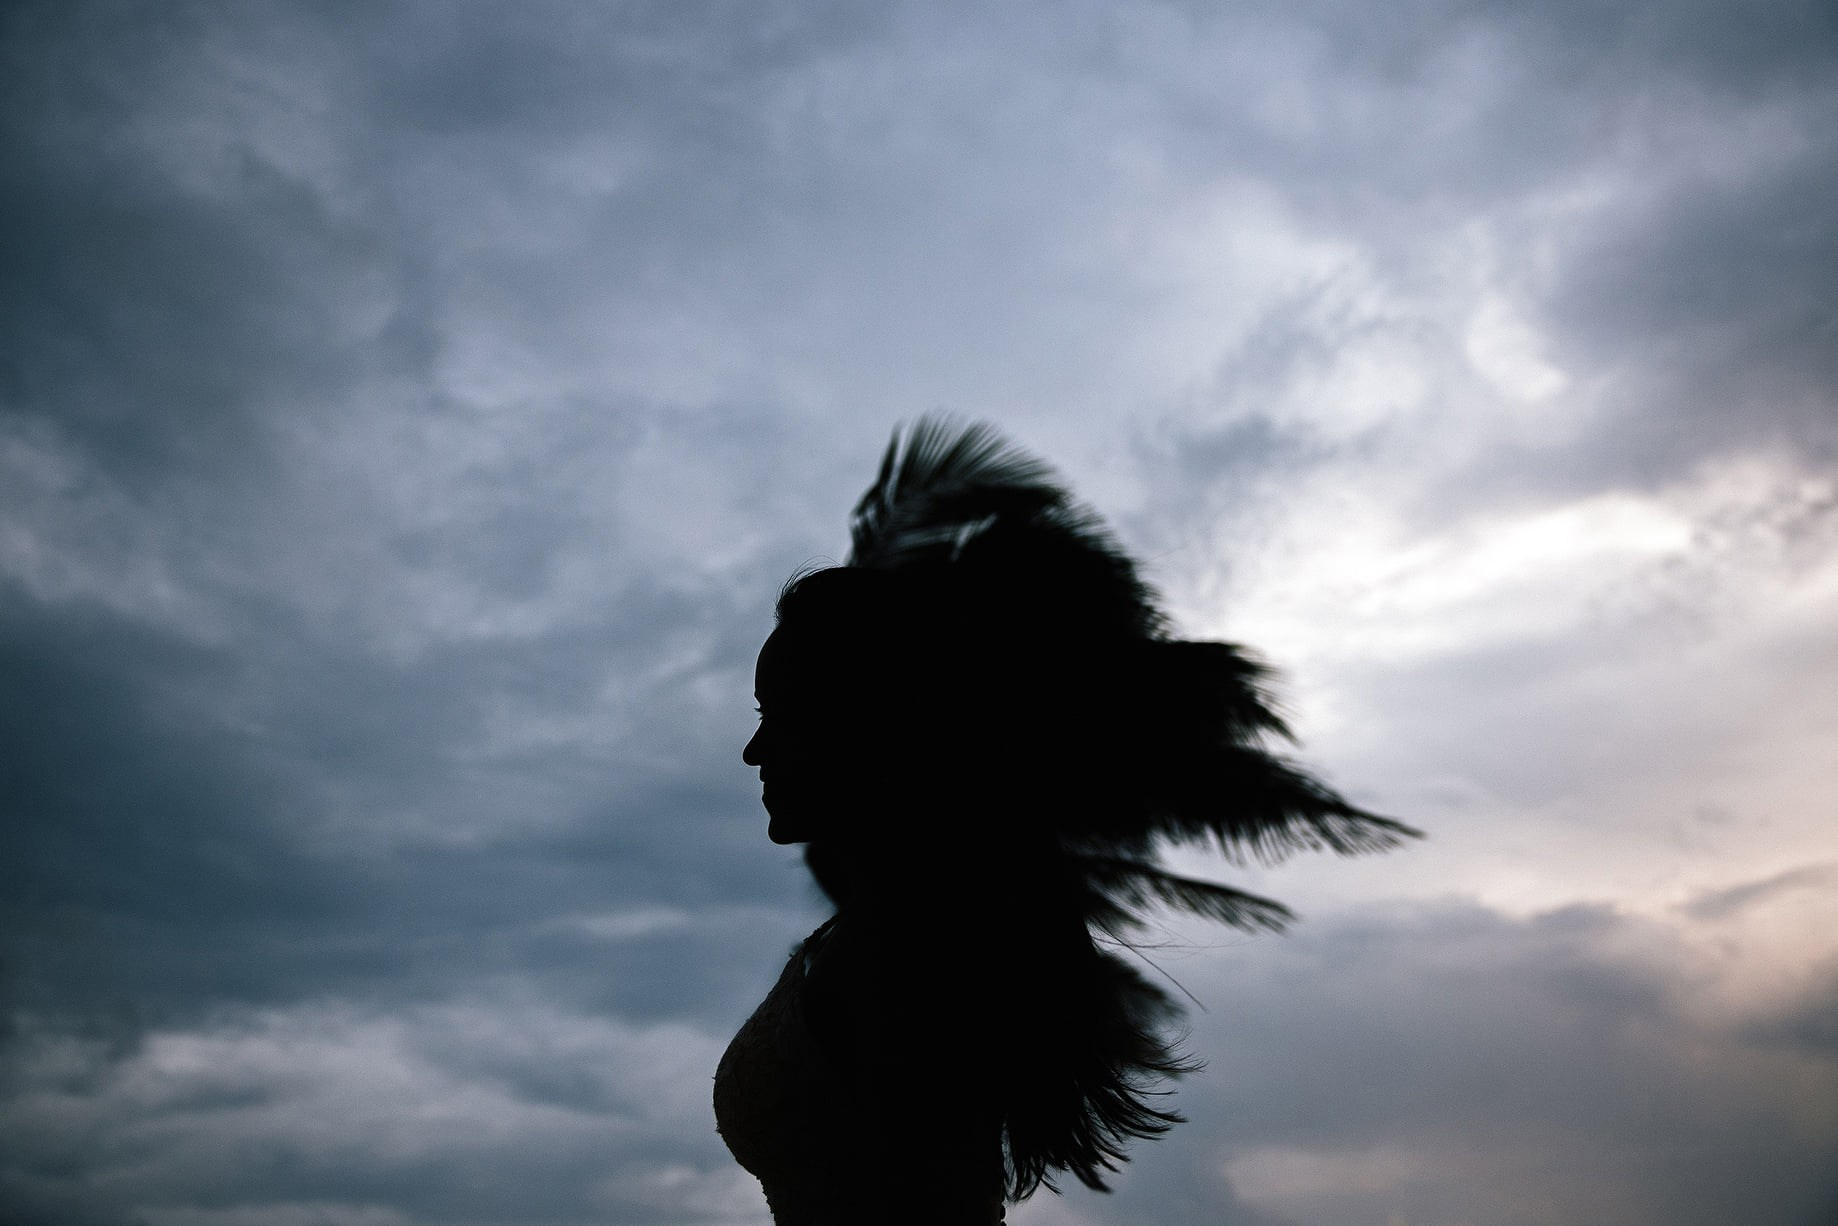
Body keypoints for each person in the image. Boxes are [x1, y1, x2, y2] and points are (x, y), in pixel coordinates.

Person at [713, 419, 1417, 1224]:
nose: (754, 750)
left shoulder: (918, 943)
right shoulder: (905, 925)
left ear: (877, 723)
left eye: (785, 714)